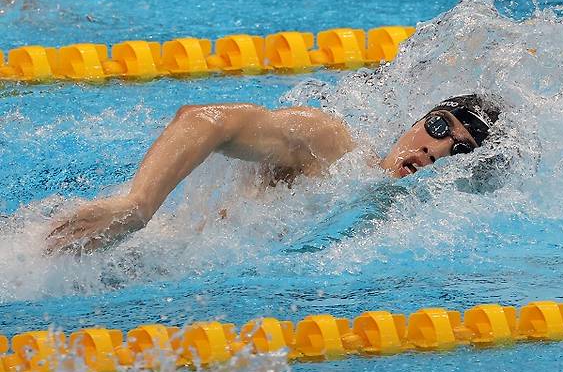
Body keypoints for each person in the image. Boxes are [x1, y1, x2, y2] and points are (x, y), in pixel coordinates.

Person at [46, 94, 500, 253]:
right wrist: (137, 206)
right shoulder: (329, 146)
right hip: (128, 243)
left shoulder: (415, 225)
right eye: (438, 127)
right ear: (417, 119)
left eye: (458, 151)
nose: (435, 149)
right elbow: (204, 120)